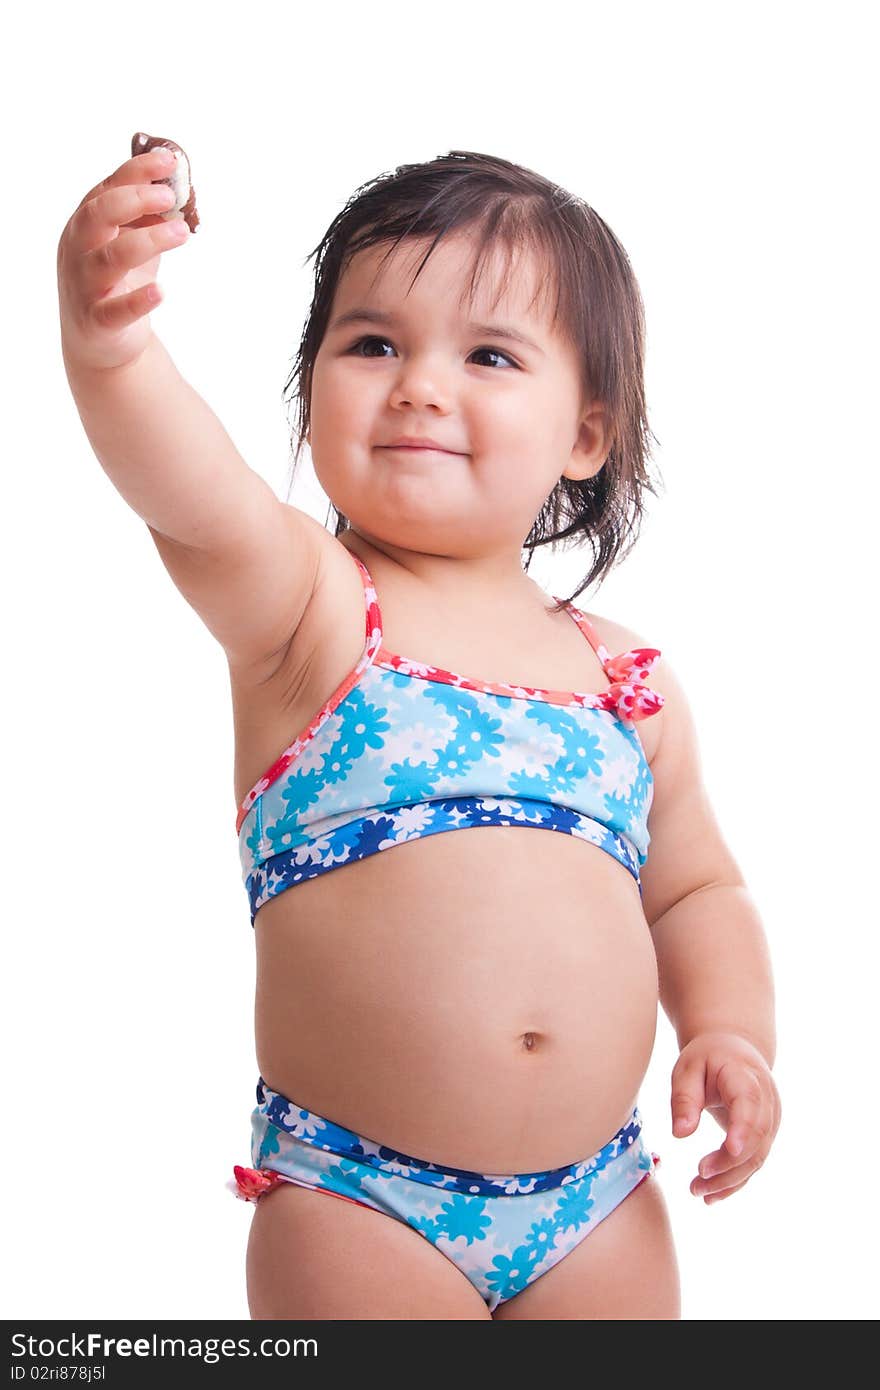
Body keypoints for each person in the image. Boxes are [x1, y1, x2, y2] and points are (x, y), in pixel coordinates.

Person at [57, 144, 781, 1320]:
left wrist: (732, 1032)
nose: (419, 385)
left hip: (598, 1202)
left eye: (488, 354)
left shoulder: (627, 680)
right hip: (362, 1203)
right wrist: (112, 346)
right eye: (372, 343)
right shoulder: (314, 606)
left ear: (585, 435)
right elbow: (185, 486)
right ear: (310, 383)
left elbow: (697, 889)